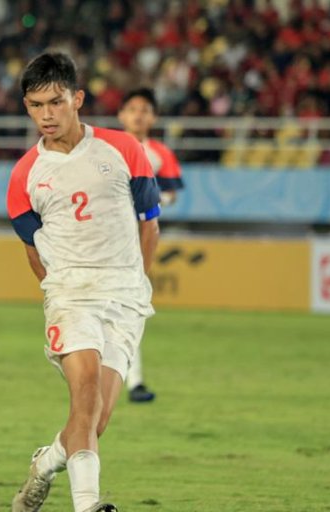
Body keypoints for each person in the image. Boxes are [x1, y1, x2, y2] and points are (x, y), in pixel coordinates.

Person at [6, 53, 161, 512]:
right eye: (35, 105)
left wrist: (137, 281)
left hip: (123, 296)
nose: (46, 114)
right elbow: (33, 252)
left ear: (77, 99)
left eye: (55, 102)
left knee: (96, 419)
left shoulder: (124, 150)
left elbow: (149, 223)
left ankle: (45, 464)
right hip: (70, 293)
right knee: (86, 386)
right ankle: (86, 511)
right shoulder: (24, 176)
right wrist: (56, 292)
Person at [116, 88, 185, 403]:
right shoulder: (105, 147)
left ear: (153, 117)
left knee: (131, 307)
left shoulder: (161, 153)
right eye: (132, 108)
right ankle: (128, 379)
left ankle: (133, 381)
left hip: (138, 238)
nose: (138, 115)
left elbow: (172, 193)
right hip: (104, 236)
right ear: (122, 115)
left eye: (144, 109)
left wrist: (150, 199)